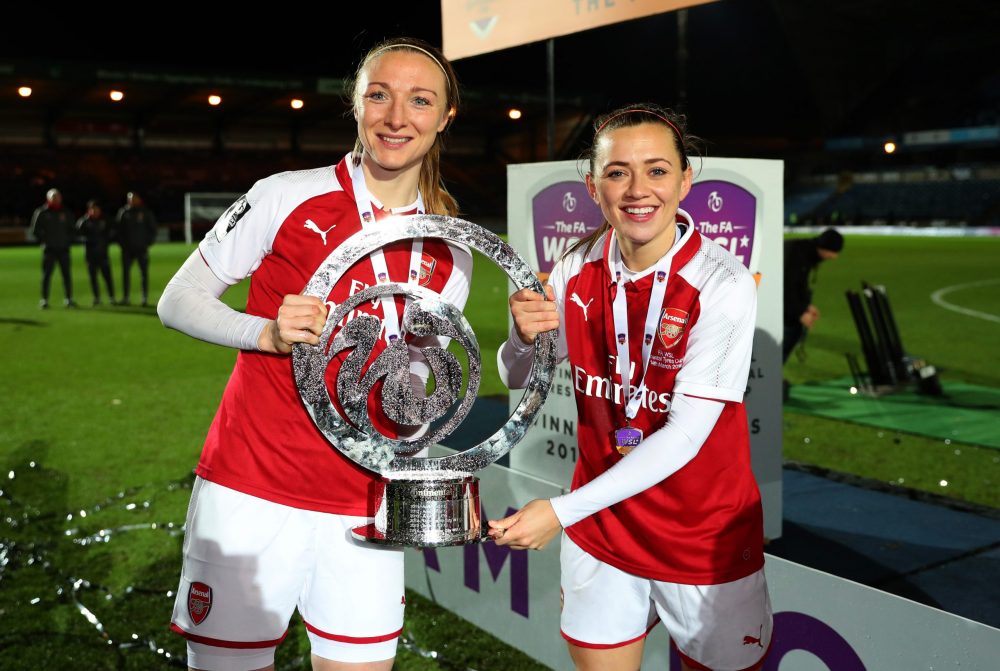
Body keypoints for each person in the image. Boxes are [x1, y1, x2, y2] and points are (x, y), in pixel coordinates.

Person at [157, 37, 469, 671]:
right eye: (378, 95)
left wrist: (434, 459)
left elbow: (411, 392)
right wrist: (265, 331)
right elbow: (178, 300)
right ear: (355, 104)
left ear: (444, 117)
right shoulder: (284, 196)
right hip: (250, 492)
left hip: (361, 502)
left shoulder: (450, 251)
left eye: (419, 100)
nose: (395, 117)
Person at [491, 104, 772, 671]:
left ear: (686, 180)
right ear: (593, 187)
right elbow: (518, 377)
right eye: (618, 172)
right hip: (604, 526)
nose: (638, 189)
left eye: (657, 170)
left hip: (701, 531)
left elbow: (689, 433)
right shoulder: (573, 267)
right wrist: (522, 340)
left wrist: (562, 511)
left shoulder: (722, 282)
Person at [782, 227, 843, 363]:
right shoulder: (798, 254)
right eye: (834, 252)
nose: (834, 257)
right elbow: (787, 286)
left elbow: (799, 284)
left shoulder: (804, 251)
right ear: (825, 248)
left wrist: (806, 306)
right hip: (769, 298)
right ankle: (771, 376)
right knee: (789, 333)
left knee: (792, 333)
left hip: (777, 299)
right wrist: (800, 313)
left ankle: (772, 375)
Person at [29, 188, 77, 308]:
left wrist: (67, 240)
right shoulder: (42, 212)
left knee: (66, 275)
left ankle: (68, 299)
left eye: (57, 197)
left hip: (63, 249)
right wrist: (46, 239)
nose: (56, 199)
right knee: (46, 276)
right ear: (48, 199)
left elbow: (73, 230)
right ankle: (44, 300)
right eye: (53, 197)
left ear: (60, 198)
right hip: (49, 249)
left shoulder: (66, 212)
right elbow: (35, 231)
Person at [115, 191, 158, 306]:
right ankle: (126, 298)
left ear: (138, 199)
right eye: (130, 199)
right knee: (126, 273)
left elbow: (153, 229)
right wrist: (122, 244)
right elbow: (118, 231)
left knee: (143, 273)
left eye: (134, 198)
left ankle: (144, 298)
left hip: (141, 248)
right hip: (127, 249)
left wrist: (147, 243)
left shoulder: (145, 212)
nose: (131, 201)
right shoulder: (123, 212)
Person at [76, 200, 116, 305]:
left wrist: (106, 241)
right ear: (89, 210)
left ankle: (111, 297)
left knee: (107, 277)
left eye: (96, 209)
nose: (95, 211)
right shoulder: (83, 222)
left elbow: (113, 232)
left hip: (103, 254)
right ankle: (97, 297)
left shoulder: (105, 220)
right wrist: (88, 240)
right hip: (90, 255)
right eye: (93, 209)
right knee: (93, 278)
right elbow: (77, 235)